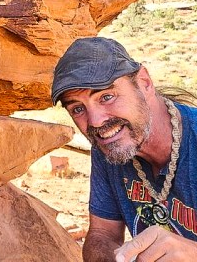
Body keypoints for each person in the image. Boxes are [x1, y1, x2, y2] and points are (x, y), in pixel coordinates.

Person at [51, 37, 197, 262]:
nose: (96, 122)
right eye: (78, 109)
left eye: (106, 97)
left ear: (145, 83)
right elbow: (103, 234)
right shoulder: (109, 147)